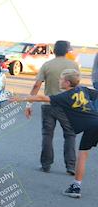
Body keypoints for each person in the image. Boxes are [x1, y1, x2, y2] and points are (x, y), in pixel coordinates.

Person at [11, 69, 98, 198]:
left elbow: (41, 97)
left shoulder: (64, 97)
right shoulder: (83, 90)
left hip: (92, 127)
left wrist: (21, 98)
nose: (59, 81)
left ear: (67, 82)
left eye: (61, 79)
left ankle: (76, 187)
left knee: (83, 155)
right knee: (83, 154)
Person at [25, 40, 79, 174]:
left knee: (47, 135)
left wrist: (29, 103)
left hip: (48, 104)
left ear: (54, 51)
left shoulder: (47, 65)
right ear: (67, 51)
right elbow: (76, 88)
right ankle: (71, 166)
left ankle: (46, 165)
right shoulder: (74, 65)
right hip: (67, 107)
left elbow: (37, 85)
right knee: (70, 135)